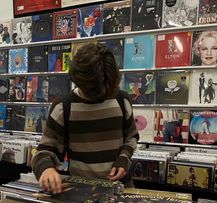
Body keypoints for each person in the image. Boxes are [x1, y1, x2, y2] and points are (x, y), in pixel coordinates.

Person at [32, 43, 139, 194]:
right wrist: (46, 169)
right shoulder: (63, 107)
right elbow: (44, 152)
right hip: (81, 193)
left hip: (121, 190)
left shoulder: (122, 100)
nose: (99, 94)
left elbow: (131, 137)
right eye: (92, 90)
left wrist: (123, 159)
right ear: (76, 79)